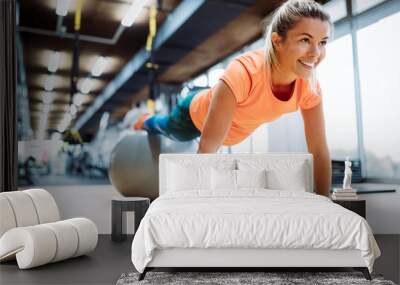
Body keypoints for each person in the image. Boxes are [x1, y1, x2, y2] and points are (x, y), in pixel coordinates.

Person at [134, 0, 332, 196]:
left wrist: (325, 203)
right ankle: (145, 121)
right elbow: (206, 151)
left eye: (322, 42)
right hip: (193, 117)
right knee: (167, 127)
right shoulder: (244, 72)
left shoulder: (310, 88)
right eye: (305, 40)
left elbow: (319, 150)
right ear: (277, 41)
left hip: (225, 130)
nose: (316, 53)